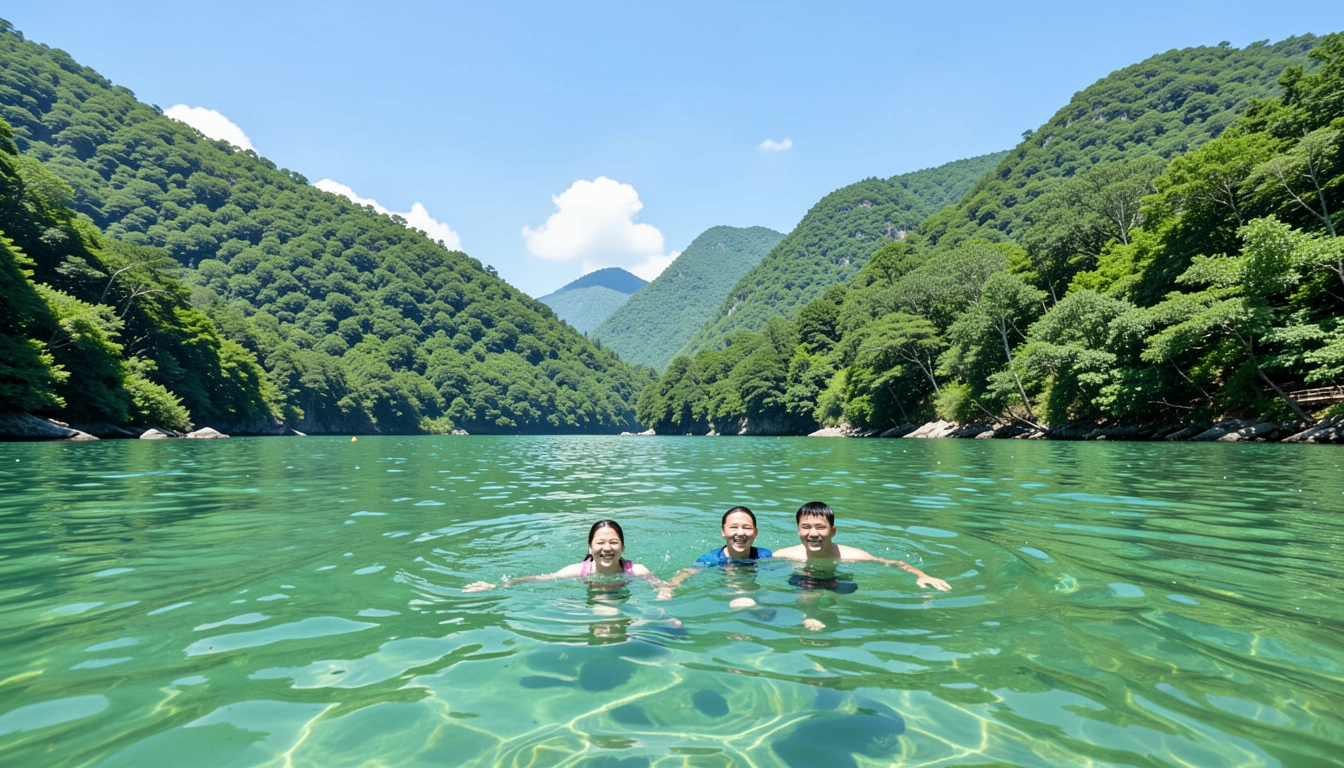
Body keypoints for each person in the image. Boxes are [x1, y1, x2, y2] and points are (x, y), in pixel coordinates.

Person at [463, 519, 672, 598]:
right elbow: (539, 579)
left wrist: (664, 591)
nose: (607, 548)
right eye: (600, 542)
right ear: (590, 547)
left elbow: (662, 585)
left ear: (623, 547)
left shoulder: (636, 571)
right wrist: (497, 586)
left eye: (614, 542)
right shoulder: (578, 571)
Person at [775, 501, 952, 591]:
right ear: (798, 531)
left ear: (833, 531)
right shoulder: (783, 555)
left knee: (846, 589)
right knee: (803, 587)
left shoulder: (853, 556)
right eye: (806, 527)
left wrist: (922, 575)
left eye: (821, 527)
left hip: (838, 579)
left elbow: (893, 563)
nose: (813, 534)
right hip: (804, 578)